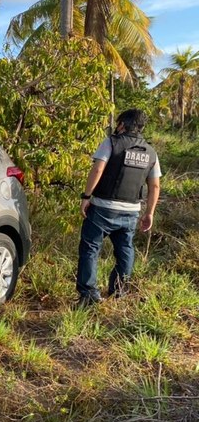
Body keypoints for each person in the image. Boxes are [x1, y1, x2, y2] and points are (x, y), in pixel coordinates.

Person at [75, 109, 161, 306]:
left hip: (103, 208)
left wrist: (86, 196)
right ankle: (119, 291)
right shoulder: (151, 152)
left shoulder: (111, 142)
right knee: (125, 250)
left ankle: (88, 294)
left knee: (90, 248)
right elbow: (154, 185)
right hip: (131, 211)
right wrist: (149, 213)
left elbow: (98, 168)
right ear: (141, 127)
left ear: (122, 124)